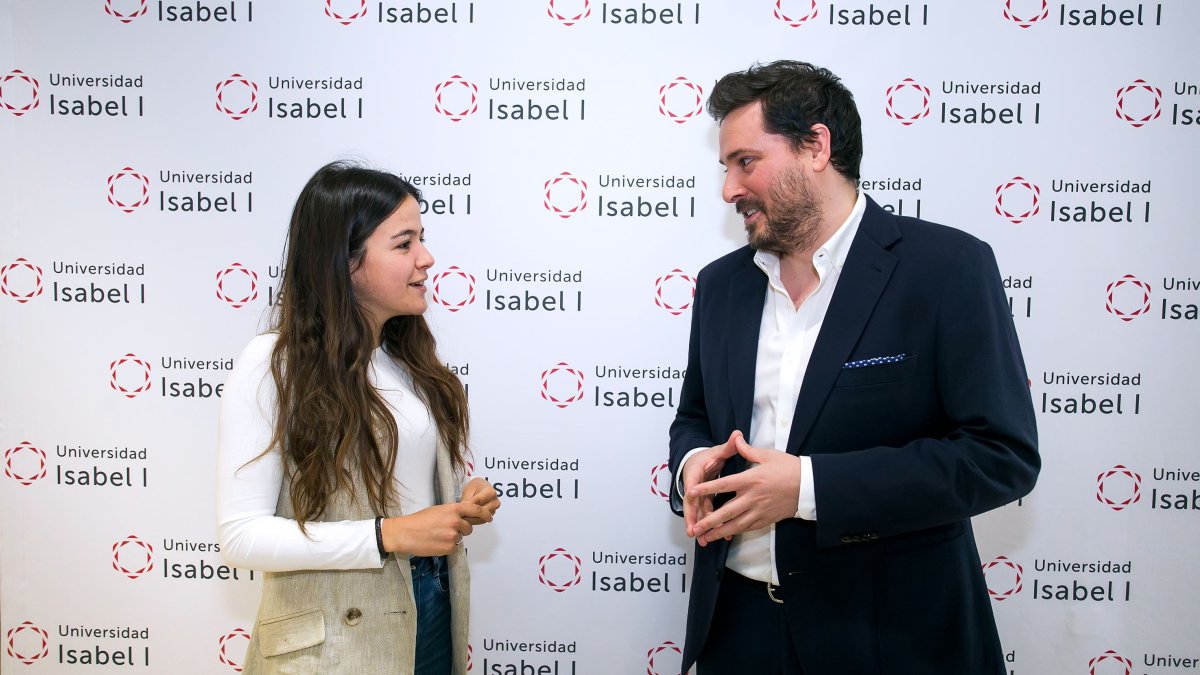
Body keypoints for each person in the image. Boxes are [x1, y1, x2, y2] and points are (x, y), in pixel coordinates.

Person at [668, 61, 1039, 675]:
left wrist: (808, 490)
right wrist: (693, 463)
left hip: (890, 637)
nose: (729, 189)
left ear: (816, 146)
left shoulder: (946, 269)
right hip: (738, 632)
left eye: (746, 161)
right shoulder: (721, 286)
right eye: (726, 167)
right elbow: (696, 416)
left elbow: (1000, 456)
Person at [217, 161, 500, 674]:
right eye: (404, 244)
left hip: (430, 603)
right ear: (346, 262)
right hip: (332, 647)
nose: (427, 259)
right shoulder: (273, 364)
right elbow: (242, 536)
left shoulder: (407, 361)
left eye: (422, 239)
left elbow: (402, 496)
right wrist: (385, 535)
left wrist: (459, 502)